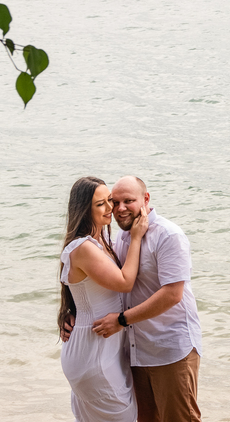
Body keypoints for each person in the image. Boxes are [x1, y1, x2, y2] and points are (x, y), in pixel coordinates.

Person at [90, 176, 204, 422]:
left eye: (128, 201)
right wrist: (70, 314)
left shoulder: (168, 235)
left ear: (146, 199)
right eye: (115, 201)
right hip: (135, 351)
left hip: (170, 348)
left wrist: (121, 320)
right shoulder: (120, 238)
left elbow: (173, 294)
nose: (120, 208)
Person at [59, 176, 150, 422]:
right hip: (93, 353)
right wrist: (137, 237)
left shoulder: (102, 242)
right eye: (101, 204)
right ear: (84, 210)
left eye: (109, 200)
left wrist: (71, 312)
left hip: (102, 348)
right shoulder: (84, 247)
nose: (111, 208)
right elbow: (124, 282)